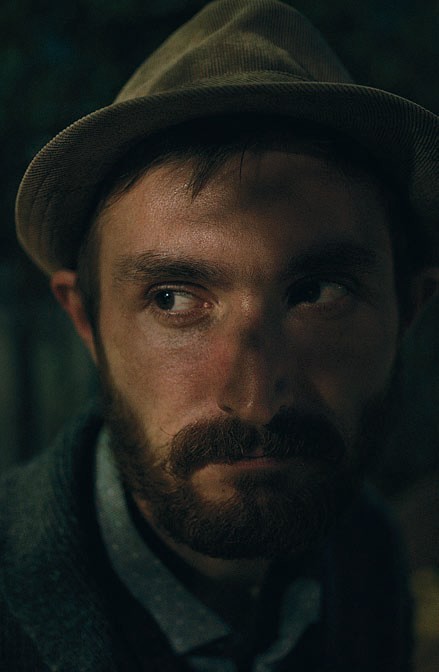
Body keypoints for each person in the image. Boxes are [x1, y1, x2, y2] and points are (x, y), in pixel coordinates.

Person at [2, 0, 438, 670]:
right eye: (173, 298)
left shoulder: (366, 555)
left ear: (408, 310)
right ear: (86, 320)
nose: (256, 399)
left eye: (318, 293)